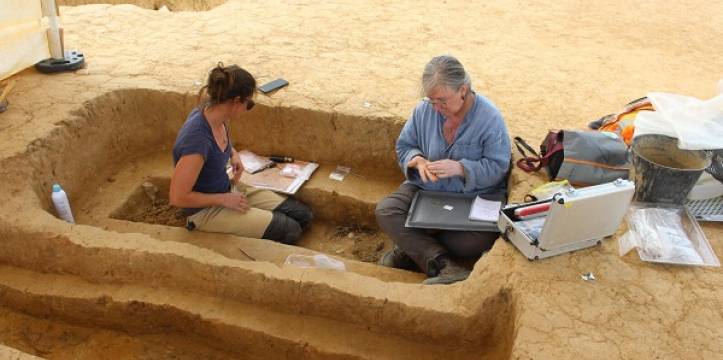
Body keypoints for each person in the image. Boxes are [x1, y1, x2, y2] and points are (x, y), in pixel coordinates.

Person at [375, 55, 511, 285]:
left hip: (473, 196)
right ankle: (445, 265)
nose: (437, 108)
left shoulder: (490, 119)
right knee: (387, 211)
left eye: (442, 101)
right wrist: (416, 160)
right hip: (426, 189)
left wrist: (460, 168)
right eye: (431, 101)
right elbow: (405, 146)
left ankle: (411, 248)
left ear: (463, 90)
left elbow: (498, 168)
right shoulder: (423, 110)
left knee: (471, 242)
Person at [170, 62, 313, 244]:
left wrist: (233, 153)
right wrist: (224, 200)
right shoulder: (196, 141)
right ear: (237, 101)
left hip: (226, 190)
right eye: (249, 103)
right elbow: (177, 197)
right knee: (290, 230)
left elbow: (220, 140)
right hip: (206, 210)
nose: (249, 107)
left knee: (303, 215)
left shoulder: (215, 111)